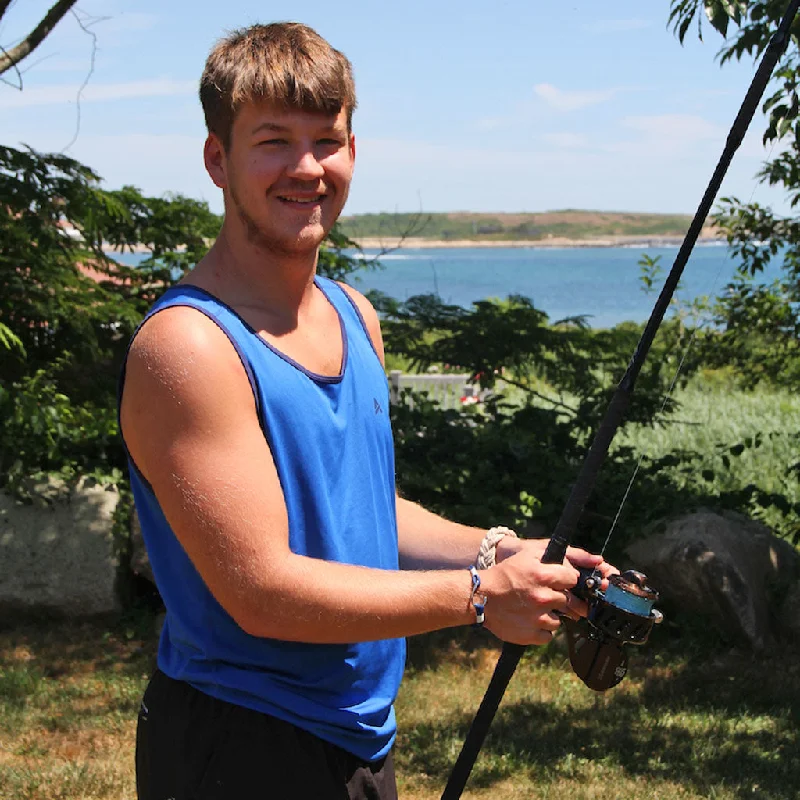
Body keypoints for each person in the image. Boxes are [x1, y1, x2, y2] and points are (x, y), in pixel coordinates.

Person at [119, 21, 614, 800]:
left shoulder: (352, 314)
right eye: (274, 141)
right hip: (238, 739)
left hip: (355, 732)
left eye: (329, 139)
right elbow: (261, 591)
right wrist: (481, 600)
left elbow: (361, 513)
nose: (308, 167)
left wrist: (502, 552)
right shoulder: (189, 347)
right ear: (218, 160)